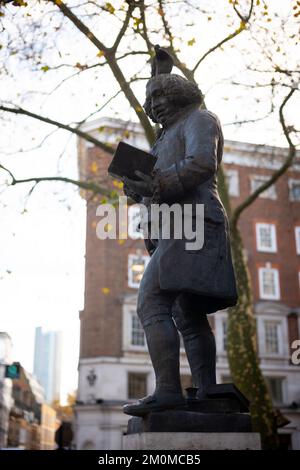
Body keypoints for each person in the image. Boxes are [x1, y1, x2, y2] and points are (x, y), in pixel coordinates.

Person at [122, 47, 237, 416]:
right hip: (175, 228)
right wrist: (137, 187)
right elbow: (157, 186)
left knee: (151, 301)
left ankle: (168, 390)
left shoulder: (200, 119)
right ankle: (206, 390)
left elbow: (203, 163)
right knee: (187, 313)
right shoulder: (162, 138)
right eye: (148, 102)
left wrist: (156, 183)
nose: (152, 106)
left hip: (194, 223)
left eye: (158, 96)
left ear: (180, 93)